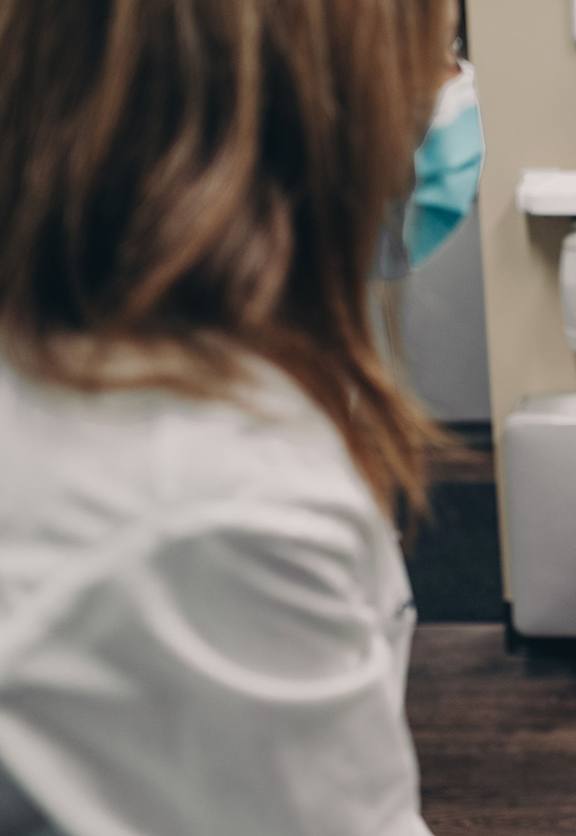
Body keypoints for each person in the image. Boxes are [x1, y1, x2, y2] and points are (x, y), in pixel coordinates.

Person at [0, 1, 460, 834]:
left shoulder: (79, 353)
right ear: (325, 101)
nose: (448, 94)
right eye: (440, 53)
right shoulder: (212, 499)